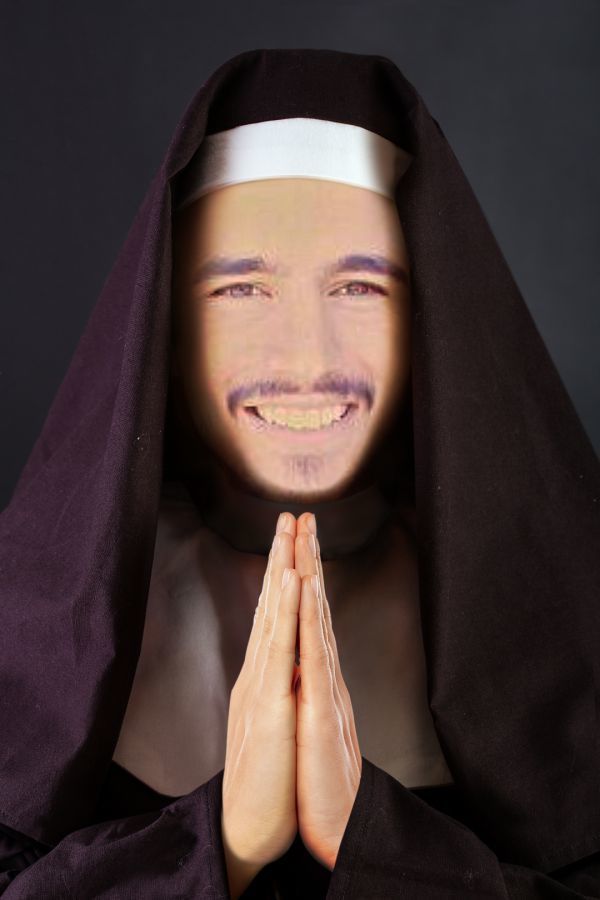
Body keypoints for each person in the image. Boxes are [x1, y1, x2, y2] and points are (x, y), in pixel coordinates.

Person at [0, 47, 599, 899]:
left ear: (433, 320)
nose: (307, 360)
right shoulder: (30, 622)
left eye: (360, 288)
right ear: (165, 327)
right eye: (241, 291)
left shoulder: (573, 619)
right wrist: (221, 844)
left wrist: (373, 840)